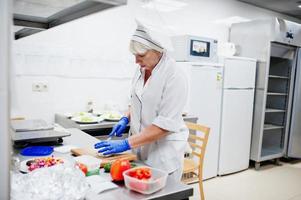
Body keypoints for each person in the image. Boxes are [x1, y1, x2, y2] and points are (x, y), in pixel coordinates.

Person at [94, 22, 189, 180]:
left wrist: (126, 143)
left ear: (157, 50)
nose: (136, 61)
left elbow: (165, 125)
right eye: (135, 55)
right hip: (139, 148)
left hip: (162, 153)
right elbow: (137, 101)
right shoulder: (141, 70)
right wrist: (126, 118)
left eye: (141, 55)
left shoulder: (174, 76)